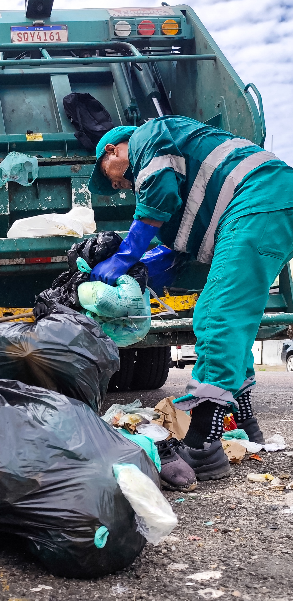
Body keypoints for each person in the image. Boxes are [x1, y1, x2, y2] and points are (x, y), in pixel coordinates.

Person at [88, 116, 293, 488]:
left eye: (113, 175)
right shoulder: (179, 165)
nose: (120, 185)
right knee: (235, 324)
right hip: (265, 202)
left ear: (114, 149)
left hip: (258, 198)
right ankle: (244, 424)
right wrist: (146, 269)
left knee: (216, 315)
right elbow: (180, 243)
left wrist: (125, 255)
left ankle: (201, 445)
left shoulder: (147, 134)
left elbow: (159, 193)